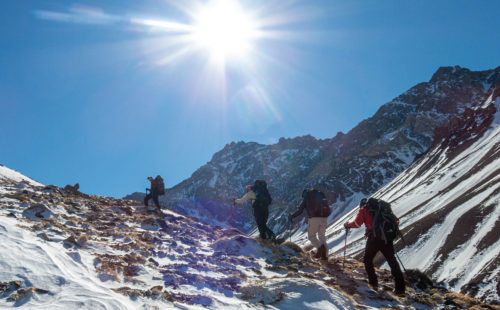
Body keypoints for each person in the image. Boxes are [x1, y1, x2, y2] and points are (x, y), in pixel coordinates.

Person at [344, 198, 405, 296]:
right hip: (387, 239)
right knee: (392, 261)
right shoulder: (383, 209)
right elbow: (396, 221)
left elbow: (357, 223)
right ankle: (400, 290)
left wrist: (347, 225)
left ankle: (373, 283)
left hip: (374, 238)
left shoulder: (364, 209)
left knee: (367, 259)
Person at [290, 189, 330, 260]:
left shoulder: (307, 197)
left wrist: (292, 216)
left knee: (311, 236)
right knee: (322, 236)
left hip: (314, 218)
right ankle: (325, 256)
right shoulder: (319, 194)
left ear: (305, 194)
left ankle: (320, 248)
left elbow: (300, 210)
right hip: (324, 218)